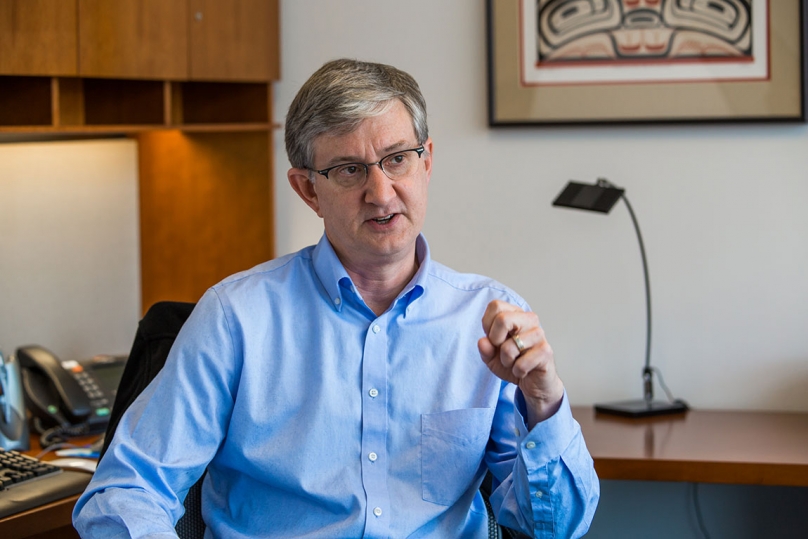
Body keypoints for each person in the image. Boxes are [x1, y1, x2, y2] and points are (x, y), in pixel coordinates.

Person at [73, 59, 599, 538]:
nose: (381, 192)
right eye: (349, 170)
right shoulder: (237, 318)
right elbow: (125, 492)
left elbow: (555, 529)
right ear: (307, 190)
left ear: (427, 160)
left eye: (397, 160)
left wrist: (544, 401)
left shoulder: (486, 320)